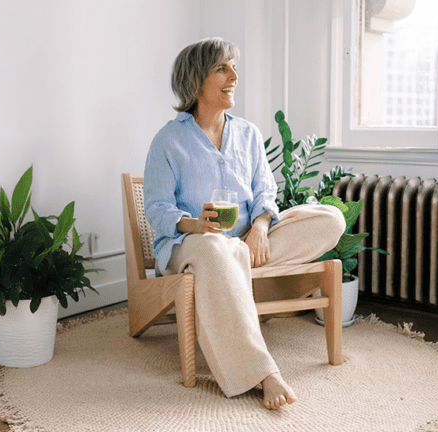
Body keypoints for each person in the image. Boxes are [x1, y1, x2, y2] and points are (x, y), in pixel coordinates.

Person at [143, 37, 345, 410]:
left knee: (330, 217)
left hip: (247, 246)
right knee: (217, 247)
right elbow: (155, 208)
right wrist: (193, 224)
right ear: (195, 79)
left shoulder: (248, 134)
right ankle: (261, 372)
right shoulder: (168, 141)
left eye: (234, 67)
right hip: (192, 247)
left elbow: (266, 192)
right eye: (222, 68)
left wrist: (261, 227)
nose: (234, 75)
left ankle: (233, 279)